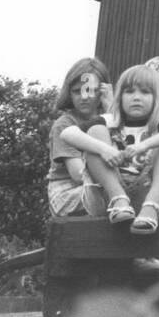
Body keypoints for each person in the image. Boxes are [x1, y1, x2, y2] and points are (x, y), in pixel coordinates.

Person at [57, 64, 159, 274]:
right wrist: (104, 150)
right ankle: (118, 198)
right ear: (119, 97)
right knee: (94, 133)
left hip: (146, 194)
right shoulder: (108, 120)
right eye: (129, 91)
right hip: (105, 197)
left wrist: (145, 145)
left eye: (144, 92)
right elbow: (67, 133)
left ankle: (152, 206)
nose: (136, 97)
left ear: (156, 98)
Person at [45, 58, 117, 220]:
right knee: (118, 194)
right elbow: (78, 175)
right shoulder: (65, 125)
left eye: (91, 90)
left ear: (103, 91)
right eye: (77, 91)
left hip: (102, 186)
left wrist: (112, 111)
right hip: (67, 192)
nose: (84, 97)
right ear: (69, 93)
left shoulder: (110, 119)